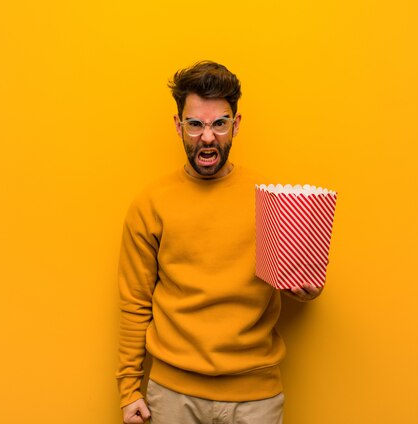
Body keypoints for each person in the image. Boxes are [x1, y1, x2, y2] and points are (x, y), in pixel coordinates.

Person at [116, 61, 323, 424]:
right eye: (195, 124)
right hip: (172, 396)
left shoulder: (269, 199)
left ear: (236, 124)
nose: (207, 137)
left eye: (219, 123)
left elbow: (293, 277)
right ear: (179, 126)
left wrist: (303, 289)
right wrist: (129, 388)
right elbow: (135, 303)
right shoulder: (150, 204)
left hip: (256, 398)